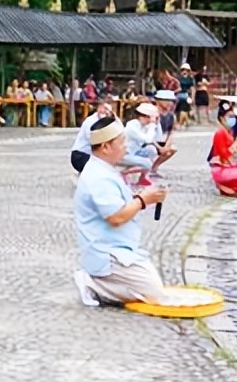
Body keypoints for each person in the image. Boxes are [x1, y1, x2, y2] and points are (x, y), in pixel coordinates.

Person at [72, 117, 169, 307]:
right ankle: (94, 284)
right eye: (122, 142)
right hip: (107, 253)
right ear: (106, 147)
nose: (126, 147)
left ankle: (102, 282)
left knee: (153, 288)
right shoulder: (98, 176)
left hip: (118, 247)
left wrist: (143, 197)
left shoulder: (103, 170)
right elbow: (115, 217)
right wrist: (143, 200)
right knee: (155, 294)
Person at [122, 103, 171, 177]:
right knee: (147, 164)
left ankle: (143, 176)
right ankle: (122, 173)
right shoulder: (132, 126)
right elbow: (147, 140)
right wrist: (152, 125)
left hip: (135, 152)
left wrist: (157, 125)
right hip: (125, 154)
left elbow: (158, 138)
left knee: (151, 150)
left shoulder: (145, 126)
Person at [70, 99, 115, 173]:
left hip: (90, 155)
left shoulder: (104, 122)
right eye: (105, 108)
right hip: (80, 155)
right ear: (99, 107)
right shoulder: (91, 121)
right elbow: (93, 140)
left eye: (109, 111)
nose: (106, 112)